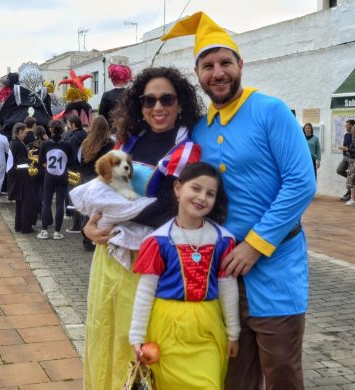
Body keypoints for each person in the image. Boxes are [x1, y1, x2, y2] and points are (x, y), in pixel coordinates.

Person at [161, 11, 316, 390]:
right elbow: (176, 183)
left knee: (281, 373)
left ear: (240, 65)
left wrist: (255, 246)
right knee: (233, 375)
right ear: (197, 75)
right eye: (208, 65)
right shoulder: (200, 128)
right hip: (222, 273)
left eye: (225, 62)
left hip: (276, 269)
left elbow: (301, 183)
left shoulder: (270, 111)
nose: (218, 73)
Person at [82, 66, 202, 390]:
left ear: (181, 104)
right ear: (139, 105)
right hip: (110, 258)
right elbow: (102, 192)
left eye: (167, 99)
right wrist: (90, 226)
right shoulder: (129, 141)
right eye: (149, 101)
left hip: (153, 262)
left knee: (144, 344)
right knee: (106, 334)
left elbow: (170, 207)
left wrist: (115, 215)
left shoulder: (188, 148)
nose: (158, 107)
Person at [130, 162, 240, 389]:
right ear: (178, 189)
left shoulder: (223, 240)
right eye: (196, 188)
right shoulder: (157, 241)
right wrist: (137, 335)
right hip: (166, 327)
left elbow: (228, 287)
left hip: (208, 327)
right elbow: (145, 289)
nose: (202, 197)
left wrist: (233, 332)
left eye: (210, 193)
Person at [79, 115, 115, 251]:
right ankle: (100, 236)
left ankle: (86, 239)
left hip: (87, 180)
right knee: (101, 211)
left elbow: (82, 162)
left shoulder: (86, 142)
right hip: (103, 181)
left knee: (87, 210)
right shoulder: (110, 144)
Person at [37, 120, 74, 240]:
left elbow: (41, 160)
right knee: (59, 204)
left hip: (49, 175)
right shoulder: (67, 144)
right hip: (62, 175)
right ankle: (57, 232)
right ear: (62, 130)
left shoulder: (45, 144)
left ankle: (44, 231)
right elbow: (71, 161)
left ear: (51, 130)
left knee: (46, 202)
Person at [7, 123, 38, 233]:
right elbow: (21, 162)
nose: (25, 135)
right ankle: (26, 227)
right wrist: (32, 159)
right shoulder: (18, 144)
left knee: (20, 203)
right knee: (26, 202)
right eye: (24, 132)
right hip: (22, 176)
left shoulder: (13, 142)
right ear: (19, 131)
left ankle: (19, 226)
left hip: (16, 175)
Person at [99, 63, 132, 129]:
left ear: (112, 77)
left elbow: (101, 117)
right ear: (126, 77)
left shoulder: (107, 95)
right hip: (129, 129)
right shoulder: (131, 93)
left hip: (111, 129)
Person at [337, 119, 355, 201]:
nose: (345, 126)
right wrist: (344, 155)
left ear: (352, 125)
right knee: (339, 170)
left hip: (353, 158)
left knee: (351, 177)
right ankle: (351, 178)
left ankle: (349, 194)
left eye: (347, 125)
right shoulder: (346, 135)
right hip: (346, 158)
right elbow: (344, 146)